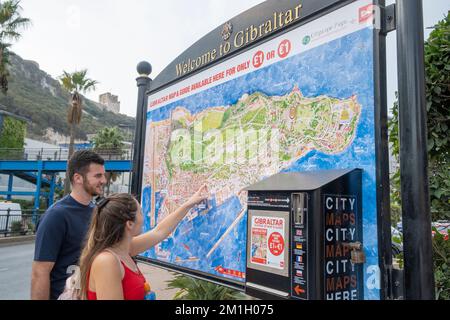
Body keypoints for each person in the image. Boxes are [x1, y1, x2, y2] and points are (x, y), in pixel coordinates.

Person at [79, 185, 209, 300]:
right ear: (129, 224)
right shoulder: (107, 261)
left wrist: (188, 204)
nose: (143, 216)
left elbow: (159, 232)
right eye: (140, 212)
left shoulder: (124, 249)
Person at [31, 150, 107, 300]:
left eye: (103, 175)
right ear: (78, 178)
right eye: (98, 175)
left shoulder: (97, 212)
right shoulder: (56, 216)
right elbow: (40, 272)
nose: (104, 180)